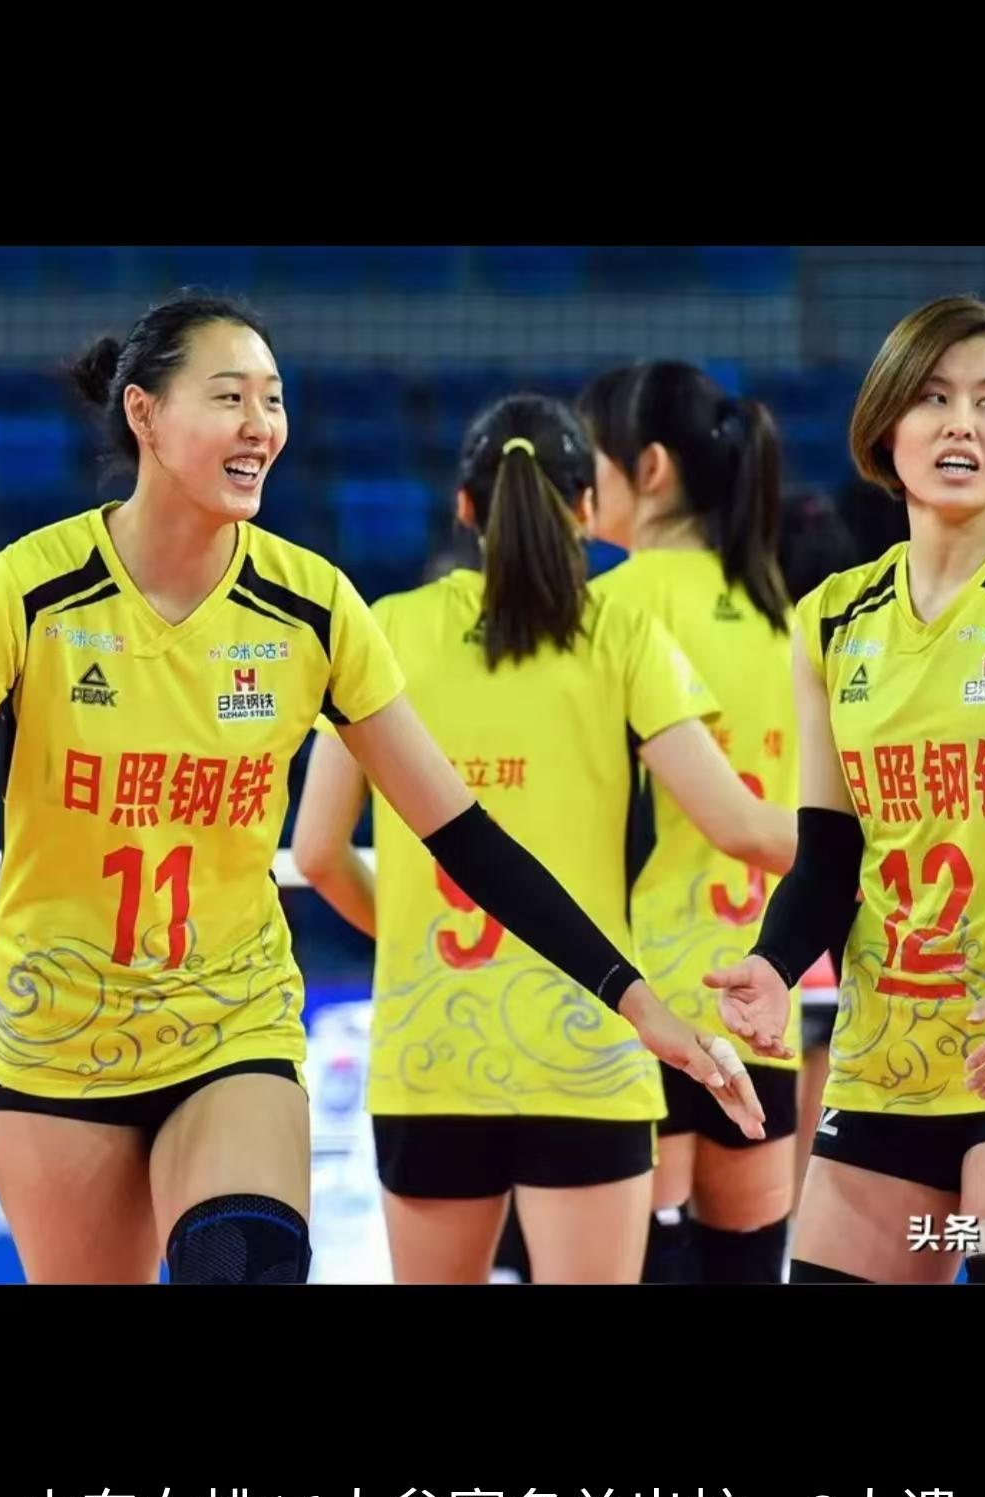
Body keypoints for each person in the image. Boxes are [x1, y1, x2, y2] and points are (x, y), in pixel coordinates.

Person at [0, 300, 763, 1286]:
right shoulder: (28, 590)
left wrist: (639, 1004)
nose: (261, 425)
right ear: (144, 413)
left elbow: (467, 838)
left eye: (273, 399)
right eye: (229, 398)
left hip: (231, 1025)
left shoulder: (314, 606)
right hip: (55, 1030)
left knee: (244, 1261)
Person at [292, 393, 794, 1284]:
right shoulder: (621, 633)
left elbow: (318, 854)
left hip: (433, 1049)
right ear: (587, 509)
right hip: (590, 1038)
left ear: (464, 506)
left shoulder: (388, 627)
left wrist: (407, 934)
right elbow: (737, 824)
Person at [708, 295, 985, 1284]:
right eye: (933, 397)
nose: (961, 424)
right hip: (886, 1069)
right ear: (886, 424)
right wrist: (774, 963)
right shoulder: (832, 620)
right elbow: (830, 855)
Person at [581, 363, 799, 1285]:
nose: (580, 482)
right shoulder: (784, 614)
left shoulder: (609, 609)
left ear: (650, 468)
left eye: (593, 460)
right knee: (747, 1263)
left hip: (638, 1004)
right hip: (761, 993)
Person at [777, 491, 860, 1206]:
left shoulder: (768, 648)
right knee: (821, 1078)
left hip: (769, 911)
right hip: (835, 906)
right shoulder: (856, 650)